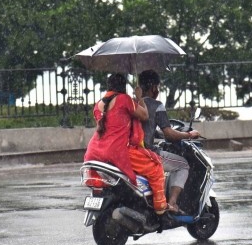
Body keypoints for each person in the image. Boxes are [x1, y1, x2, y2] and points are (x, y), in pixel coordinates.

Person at [84, 73, 171, 214]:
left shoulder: (98, 105)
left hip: (94, 152)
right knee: (156, 168)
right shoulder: (124, 100)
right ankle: (160, 207)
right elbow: (144, 116)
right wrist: (139, 97)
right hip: (117, 151)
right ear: (123, 86)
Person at [138, 69, 200, 212]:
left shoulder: (133, 104)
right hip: (147, 154)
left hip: (131, 152)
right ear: (153, 87)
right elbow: (170, 135)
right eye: (157, 87)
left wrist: (156, 133)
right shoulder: (156, 105)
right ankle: (172, 203)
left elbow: (145, 128)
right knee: (183, 165)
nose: (158, 90)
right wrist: (189, 134)